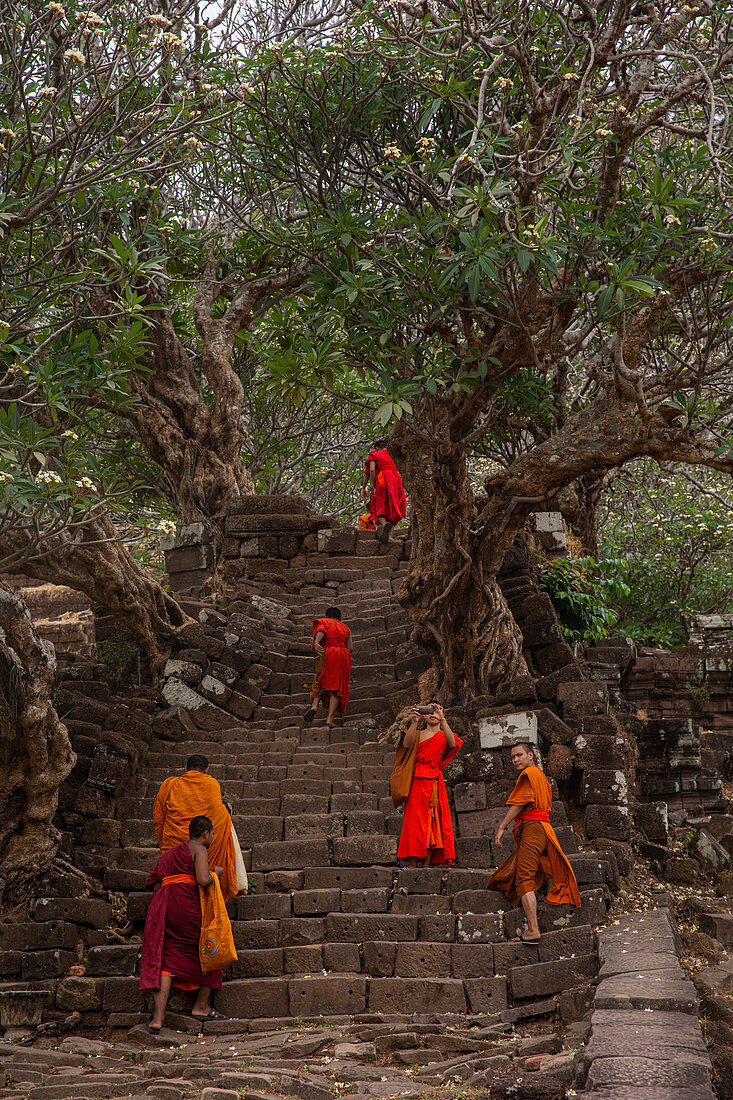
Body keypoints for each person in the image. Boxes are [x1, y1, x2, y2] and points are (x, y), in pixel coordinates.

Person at [139, 815, 228, 1030]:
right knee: (211, 951)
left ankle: (158, 1019)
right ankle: (201, 1006)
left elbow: (154, 882)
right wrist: (216, 873)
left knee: (167, 961)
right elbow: (203, 880)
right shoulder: (199, 849)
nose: (213, 838)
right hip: (187, 907)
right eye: (213, 834)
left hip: (166, 908)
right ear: (205, 833)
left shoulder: (170, 854)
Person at [488, 742, 580, 944]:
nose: (516, 760)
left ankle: (532, 930)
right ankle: (549, 891)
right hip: (541, 826)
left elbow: (519, 803)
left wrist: (502, 826)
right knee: (541, 863)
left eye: (520, 755)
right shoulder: (541, 776)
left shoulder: (529, 774)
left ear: (531, 755)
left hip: (533, 827)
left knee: (524, 879)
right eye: (513, 757)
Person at [153, 755, 246, 904]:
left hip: (173, 844)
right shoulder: (211, 783)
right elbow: (218, 815)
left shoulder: (170, 785)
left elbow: (159, 818)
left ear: (185, 769)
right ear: (206, 770)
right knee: (225, 816)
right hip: (202, 843)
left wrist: (164, 843)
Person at [396, 703, 462, 867]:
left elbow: (452, 744)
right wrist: (414, 722)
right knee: (413, 821)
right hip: (416, 781)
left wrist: (443, 719)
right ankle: (412, 863)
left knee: (433, 822)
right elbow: (406, 744)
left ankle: (426, 864)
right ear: (423, 714)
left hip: (434, 782)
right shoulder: (418, 733)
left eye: (436, 711)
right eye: (429, 711)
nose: (432, 714)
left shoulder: (443, 735)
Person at [304, 607, 352, 728]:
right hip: (342, 655)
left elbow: (321, 631)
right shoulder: (345, 627)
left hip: (327, 652)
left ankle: (314, 706)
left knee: (320, 679)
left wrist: (316, 642)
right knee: (337, 686)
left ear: (326, 616)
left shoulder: (324, 622)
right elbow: (350, 648)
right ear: (340, 618)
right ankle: (329, 720)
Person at [361, 439, 407, 543]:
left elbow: (371, 471)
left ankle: (384, 525)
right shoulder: (394, 456)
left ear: (377, 447)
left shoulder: (375, 455)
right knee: (392, 505)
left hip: (382, 479)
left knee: (379, 504)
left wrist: (370, 486)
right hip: (396, 480)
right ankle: (390, 536)